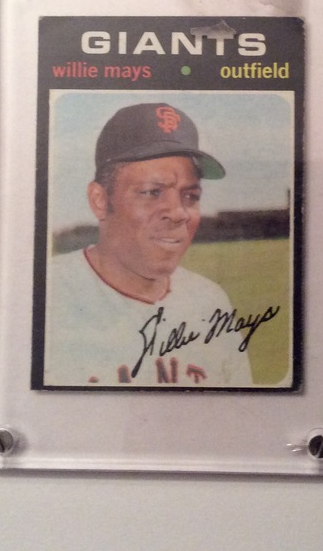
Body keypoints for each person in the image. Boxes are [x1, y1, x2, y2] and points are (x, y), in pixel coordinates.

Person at [43, 102, 253, 387]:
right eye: (152, 192)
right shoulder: (46, 296)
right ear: (100, 201)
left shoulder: (210, 302)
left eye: (190, 196)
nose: (178, 213)